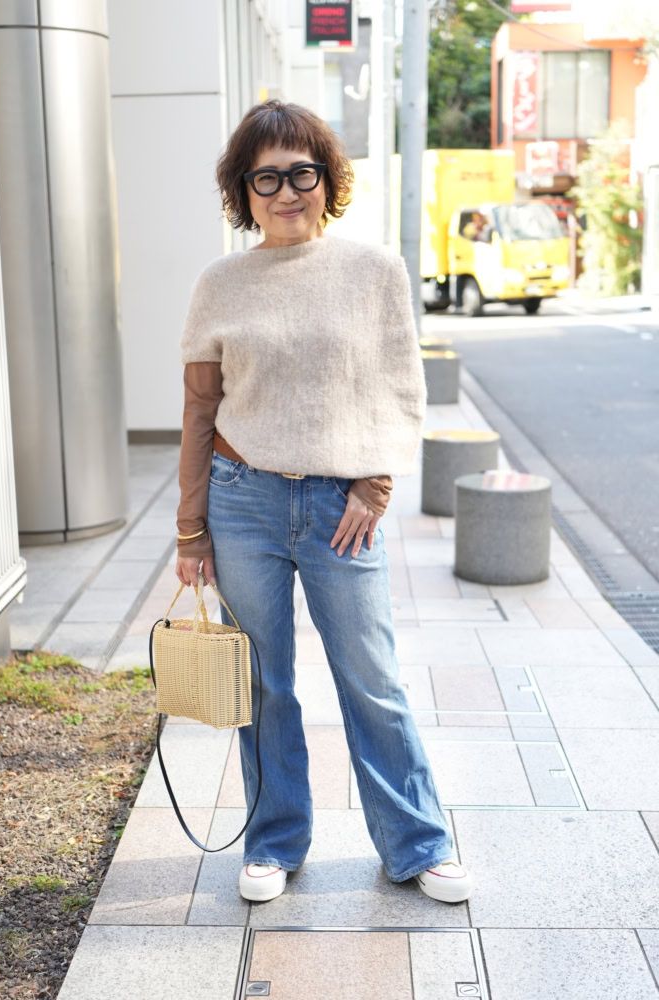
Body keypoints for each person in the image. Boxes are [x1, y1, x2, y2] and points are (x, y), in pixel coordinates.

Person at [174, 99, 473, 906]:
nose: (285, 192)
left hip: (343, 508)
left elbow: (399, 385)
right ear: (243, 190)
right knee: (263, 683)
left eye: (301, 173)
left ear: (327, 179)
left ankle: (418, 843)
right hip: (243, 502)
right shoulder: (220, 283)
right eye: (265, 177)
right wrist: (190, 528)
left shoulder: (373, 271)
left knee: (372, 678)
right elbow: (200, 410)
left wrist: (376, 485)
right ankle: (274, 842)